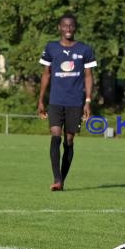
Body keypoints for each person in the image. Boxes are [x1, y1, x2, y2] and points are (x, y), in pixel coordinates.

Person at [37, 13, 97, 191]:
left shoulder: (84, 50)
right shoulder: (51, 48)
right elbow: (46, 74)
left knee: (68, 141)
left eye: (71, 26)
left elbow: (88, 76)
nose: (68, 29)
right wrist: (41, 100)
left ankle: (62, 179)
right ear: (59, 28)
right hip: (56, 101)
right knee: (55, 135)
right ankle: (57, 179)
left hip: (75, 102)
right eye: (65, 26)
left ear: (75, 28)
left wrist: (87, 101)